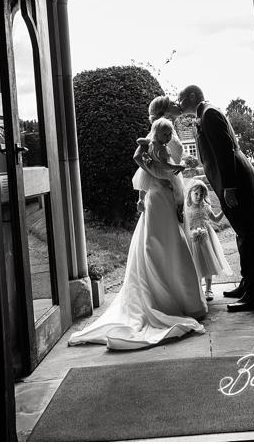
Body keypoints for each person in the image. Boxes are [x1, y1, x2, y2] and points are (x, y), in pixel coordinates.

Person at [69, 96, 206, 350]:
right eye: (172, 105)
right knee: (163, 240)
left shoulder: (167, 134)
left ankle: (184, 299)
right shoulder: (156, 137)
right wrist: (151, 186)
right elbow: (145, 166)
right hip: (161, 192)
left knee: (173, 238)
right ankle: (166, 299)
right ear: (164, 113)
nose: (177, 106)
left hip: (170, 191)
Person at [178, 85, 254, 311]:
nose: (178, 102)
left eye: (181, 98)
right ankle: (247, 284)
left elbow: (225, 151)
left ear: (191, 96)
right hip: (234, 180)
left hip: (236, 181)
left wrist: (229, 187)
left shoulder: (208, 114)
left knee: (248, 235)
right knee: (242, 234)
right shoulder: (205, 114)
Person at [184, 180, 233, 301]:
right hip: (192, 238)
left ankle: (209, 289)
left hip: (206, 239)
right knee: (196, 263)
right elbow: (183, 223)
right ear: (190, 193)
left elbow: (216, 219)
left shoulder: (205, 207)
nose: (199, 197)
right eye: (196, 194)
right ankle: (198, 289)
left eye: (201, 195)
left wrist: (224, 210)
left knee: (208, 262)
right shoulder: (186, 208)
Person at [133, 116, 186, 218]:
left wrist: (141, 141)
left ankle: (141, 200)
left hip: (151, 166)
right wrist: (178, 167)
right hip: (161, 172)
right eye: (165, 135)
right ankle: (180, 208)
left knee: (145, 181)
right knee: (177, 188)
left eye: (170, 134)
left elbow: (139, 140)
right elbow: (166, 166)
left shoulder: (151, 142)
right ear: (156, 134)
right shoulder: (163, 150)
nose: (168, 137)